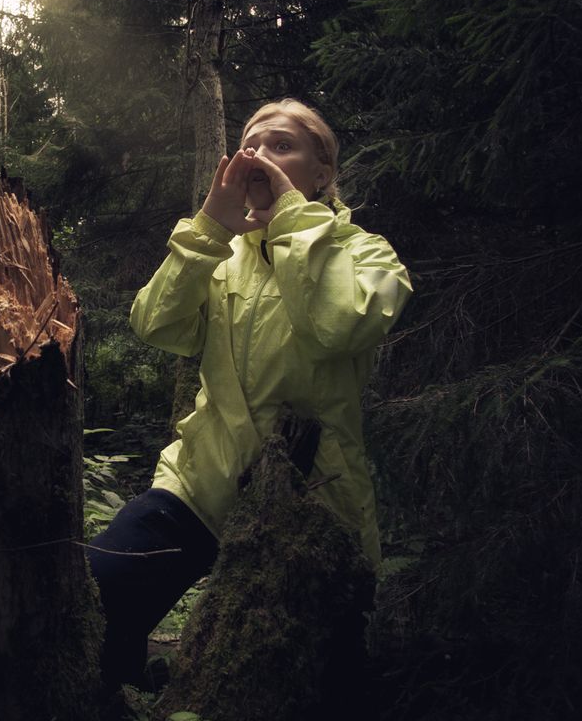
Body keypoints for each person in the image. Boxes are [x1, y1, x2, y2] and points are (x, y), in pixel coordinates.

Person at [88, 98, 413, 689]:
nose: (260, 154)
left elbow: (340, 325)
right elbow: (155, 324)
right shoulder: (222, 254)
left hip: (314, 504)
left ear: (322, 172)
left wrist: (291, 216)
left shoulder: (369, 254)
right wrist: (211, 224)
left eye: (282, 145)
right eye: (252, 144)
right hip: (199, 483)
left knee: (306, 684)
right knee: (97, 603)